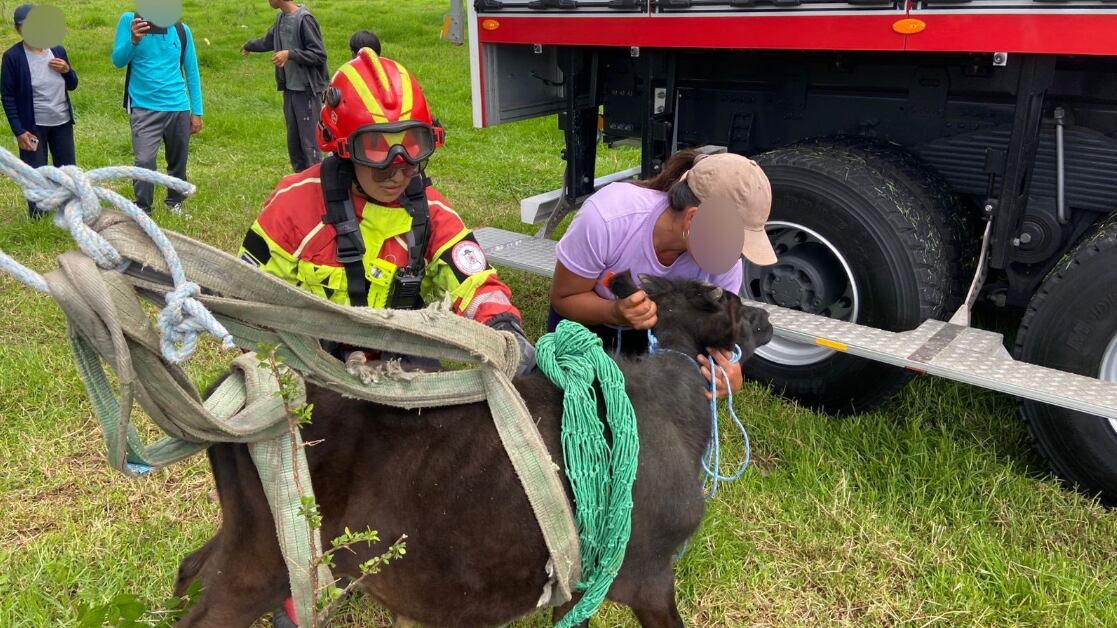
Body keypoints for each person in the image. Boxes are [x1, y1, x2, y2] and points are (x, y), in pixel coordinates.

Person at [549, 149, 778, 398]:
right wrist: (614, 313)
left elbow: (720, 334)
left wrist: (730, 370)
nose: (735, 256)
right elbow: (564, 298)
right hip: (587, 323)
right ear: (692, 220)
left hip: (653, 335)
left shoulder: (726, 261)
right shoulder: (607, 218)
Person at [110, 9, 203, 214]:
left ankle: (174, 202)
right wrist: (133, 40)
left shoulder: (181, 30)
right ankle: (143, 207)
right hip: (143, 107)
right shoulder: (129, 21)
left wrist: (196, 111)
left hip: (178, 106)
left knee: (178, 160)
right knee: (144, 160)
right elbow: (117, 60)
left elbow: (192, 71)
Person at [1, 3, 77, 219]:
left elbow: (72, 84)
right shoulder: (13, 57)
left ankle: (69, 213)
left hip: (61, 122)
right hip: (33, 127)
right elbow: (7, 96)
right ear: (19, 29)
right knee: (34, 173)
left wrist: (67, 71)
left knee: (67, 170)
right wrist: (19, 131)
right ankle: (38, 217)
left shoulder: (57, 49)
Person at [241, 1, 328, 173]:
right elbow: (268, 41)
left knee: (310, 146)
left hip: (307, 93)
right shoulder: (280, 18)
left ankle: (317, 186)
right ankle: (301, 186)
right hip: (290, 91)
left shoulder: (304, 19)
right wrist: (249, 45)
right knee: (295, 146)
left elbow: (319, 55)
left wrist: (290, 54)